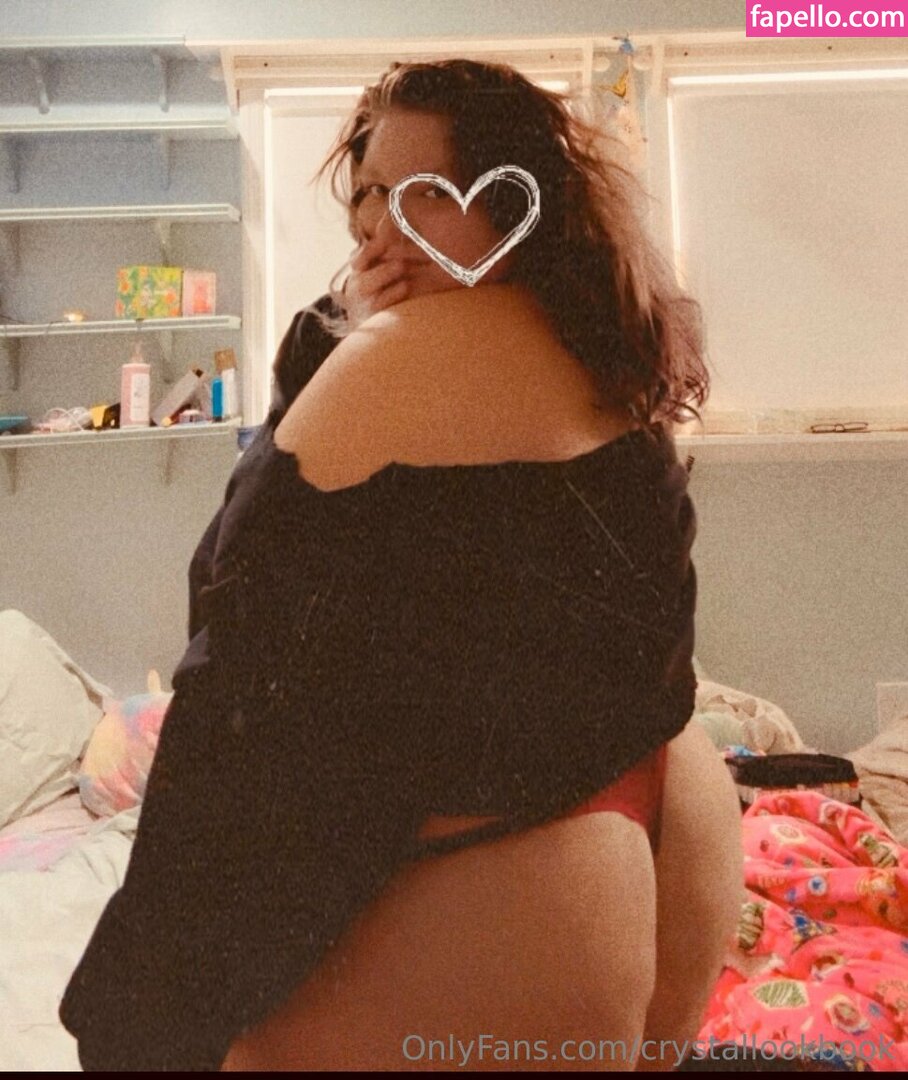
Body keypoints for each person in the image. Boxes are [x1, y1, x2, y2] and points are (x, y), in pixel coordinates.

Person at [60, 59, 744, 1072]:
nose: (382, 228)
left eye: (425, 195)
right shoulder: (607, 346)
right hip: (664, 821)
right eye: (373, 194)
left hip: (504, 876)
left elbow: (231, 649)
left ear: (516, 205)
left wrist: (137, 1010)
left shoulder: (381, 362)